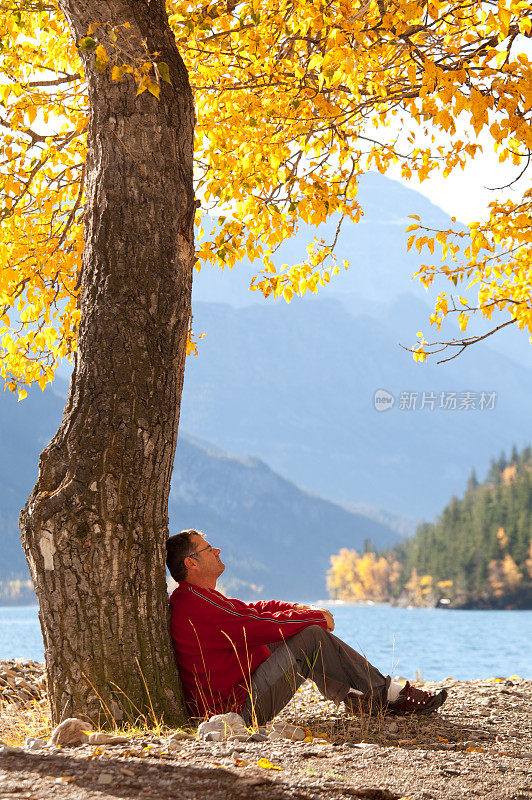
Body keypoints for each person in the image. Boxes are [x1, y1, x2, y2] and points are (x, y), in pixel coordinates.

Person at [166, 529, 447, 724]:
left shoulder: (200, 598)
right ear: (191, 563)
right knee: (311, 636)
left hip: (241, 695)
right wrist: (313, 618)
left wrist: (299, 609)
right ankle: (385, 694)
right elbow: (256, 624)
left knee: (301, 631)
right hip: (237, 710)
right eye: (207, 548)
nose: (217, 550)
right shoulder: (195, 605)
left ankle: (363, 697)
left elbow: (254, 610)